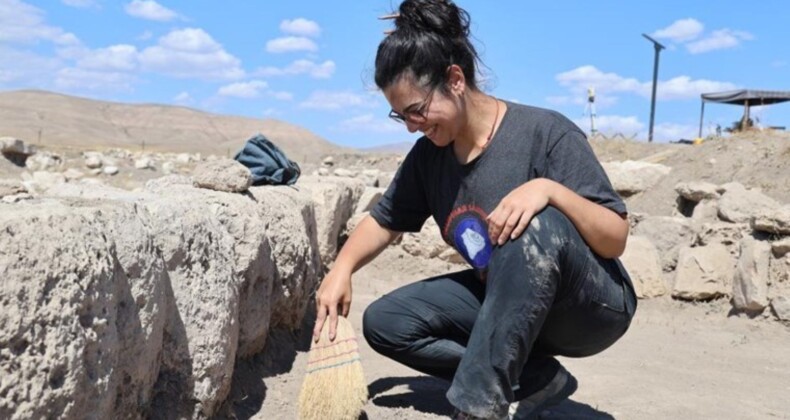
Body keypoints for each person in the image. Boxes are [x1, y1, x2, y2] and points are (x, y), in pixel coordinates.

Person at [312, 1, 637, 418]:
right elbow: (384, 220)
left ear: (455, 79)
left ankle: (480, 406)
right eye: (401, 116)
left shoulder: (544, 131)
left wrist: (547, 190)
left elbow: (616, 237)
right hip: (512, 305)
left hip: (589, 308)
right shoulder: (429, 156)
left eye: (417, 110)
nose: (413, 125)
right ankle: (537, 379)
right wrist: (340, 270)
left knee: (533, 223)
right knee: (387, 321)